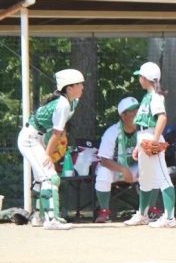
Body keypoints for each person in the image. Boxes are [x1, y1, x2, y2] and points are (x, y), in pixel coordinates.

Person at [18, 68, 84, 230]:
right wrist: (48, 154)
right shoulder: (62, 104)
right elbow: (56, 132)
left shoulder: (71, 102)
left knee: (41, 179)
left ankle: (37, 217)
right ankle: (51, 220)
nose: (82, 87)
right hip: (30, 139)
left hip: (37, 138)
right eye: (79, 85)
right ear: (69, 88)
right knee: (50, 177)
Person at [123, 62, 176, 228]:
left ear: (145, 78)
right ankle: (143, 215)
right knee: (145, 179)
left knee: (163, 177)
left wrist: (154, 139)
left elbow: (162, 117)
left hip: (152, 136)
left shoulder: (156, 96)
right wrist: (139, 146)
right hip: (143, 136)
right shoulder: (148, 95)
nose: (139, 79)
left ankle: (169, 217)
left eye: (140, 76)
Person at [94, 97, 162, 223]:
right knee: (103, 172)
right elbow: (104, 160)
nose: (137, 116)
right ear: (123, 116)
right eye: (133, 113)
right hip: (115, 168)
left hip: (135, 167)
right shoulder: (112, 132)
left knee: (153, 168)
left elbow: (153, 154)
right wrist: (123, 169)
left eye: (138, 112)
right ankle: (104, 212)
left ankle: (150, 209)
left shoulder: (145, 130)